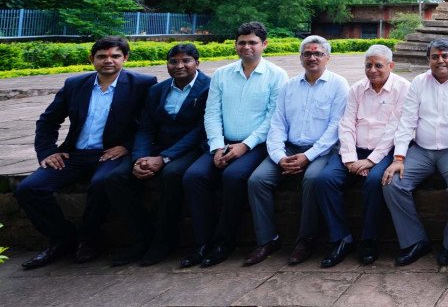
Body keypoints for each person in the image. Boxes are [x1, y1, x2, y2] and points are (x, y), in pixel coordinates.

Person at [16, 36, 154, 270]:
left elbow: (149, 124)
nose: (108, 61)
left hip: (112, 153)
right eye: (102, 56)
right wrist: (48, 152)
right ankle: (62, 238)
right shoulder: (75, 84)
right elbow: (48, 121)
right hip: (74, 154)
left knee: (102, 183)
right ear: (92, 59)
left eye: (115, 56)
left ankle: (90, 238)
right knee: (29, 188)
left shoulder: (142, 84)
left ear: (125, 58)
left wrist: (128, 146)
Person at [183, 21, 287, 268]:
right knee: (193, 177)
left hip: (256, 145)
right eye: (242, 42)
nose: (246, 47)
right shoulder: (222, 74)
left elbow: (273, 118)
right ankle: (202, 242)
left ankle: (224, 242)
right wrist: (217, 146)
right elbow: (212, 113)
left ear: (264, 44)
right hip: (222, 143)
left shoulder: (276, 75)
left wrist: (245, 145)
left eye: (252, 42)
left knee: (233, 177)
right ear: (235, 44)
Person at [245, 35, 349, 266]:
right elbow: (277, 123)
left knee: (313, 179)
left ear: (328, 58)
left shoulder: (338, 84)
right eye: (307, 54)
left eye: (318, 54)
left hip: (323, 149)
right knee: (257, 180)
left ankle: (305, 239)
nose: (313, 58)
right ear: (300, 58)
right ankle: (267, 240)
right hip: (289, 147)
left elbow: (336, 127)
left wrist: (308, 156)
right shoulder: (289, 86)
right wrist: (279, 156)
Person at [103, 43, 210, 266]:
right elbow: (145, 127)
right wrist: (139, 158)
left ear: (197, 63)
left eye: (186, 61)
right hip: (156, 147)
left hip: (189, 148)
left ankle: (164, 241)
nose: (179, 66)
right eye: (173, 61)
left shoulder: (209, 87)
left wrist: (164, 158)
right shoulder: (157, 90)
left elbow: (201, 129)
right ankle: (143, 237)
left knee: (172, 175)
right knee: (115, 178)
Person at [382, 37, 448, 267]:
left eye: (445, 56)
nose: (440, 60)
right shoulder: (419, 82)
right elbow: (407, 121)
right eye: (435, 57)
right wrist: (399, 157)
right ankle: (415, 241)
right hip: (421, 150)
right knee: (392, 182)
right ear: (428, 60)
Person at [314, 44, 408, 266]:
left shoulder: (403, 88)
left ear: (391, 65)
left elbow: (396, 128)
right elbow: (346, 124)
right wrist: (349, 159)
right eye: (368, 65)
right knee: (324, 180)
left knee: (375, 181)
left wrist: (371, 160)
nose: (373, 70)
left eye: (378, 65)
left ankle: (369, 240)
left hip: (384, 151)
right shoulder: (357, 88)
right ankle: (341, 239)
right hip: (353, 150)